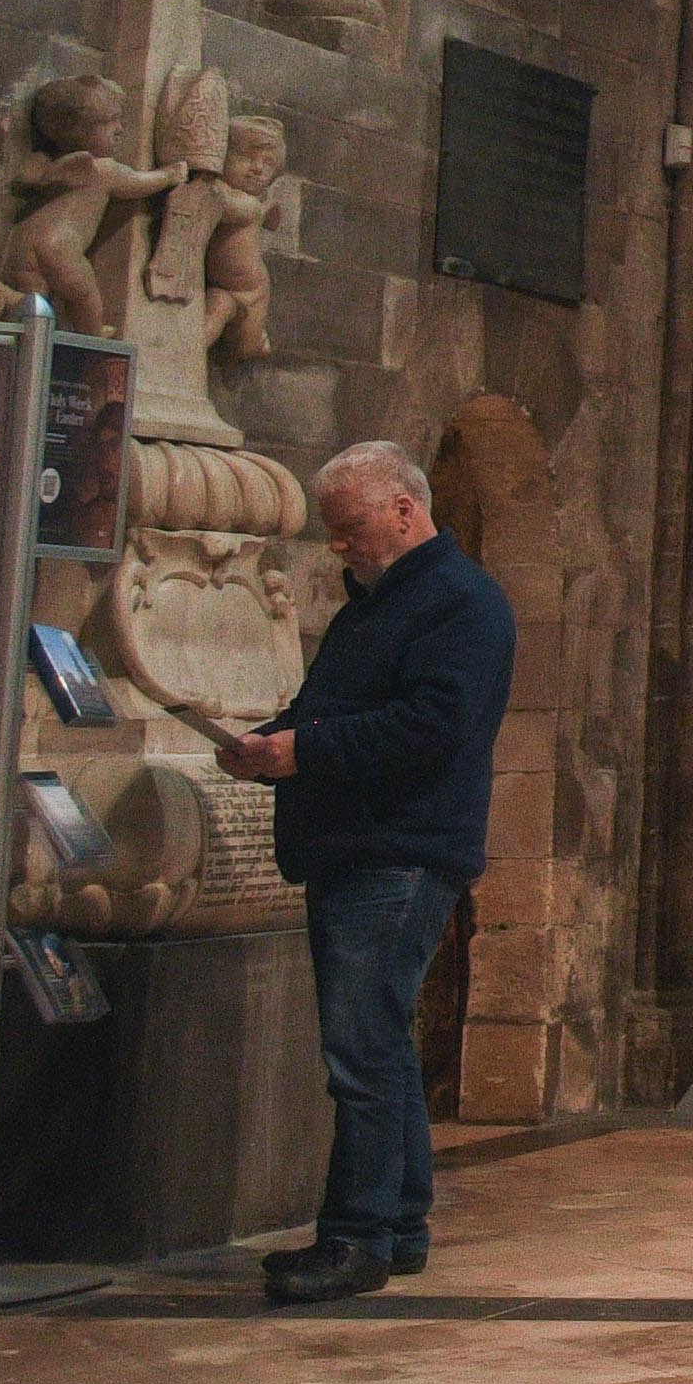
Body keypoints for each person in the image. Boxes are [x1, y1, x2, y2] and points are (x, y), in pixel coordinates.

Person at [218, 444, 516, 1307]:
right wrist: (270, 740)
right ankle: (400, 1227)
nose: (338, 547)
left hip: (400, 850)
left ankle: (354, 1241)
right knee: (376, 1042)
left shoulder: (461, 603)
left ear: (401, 510)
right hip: (360, 845)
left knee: (363, 1052)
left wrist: (301, 751)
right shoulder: (379, 608)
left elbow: (431, 726)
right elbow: (335, 713)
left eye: (348, 530)